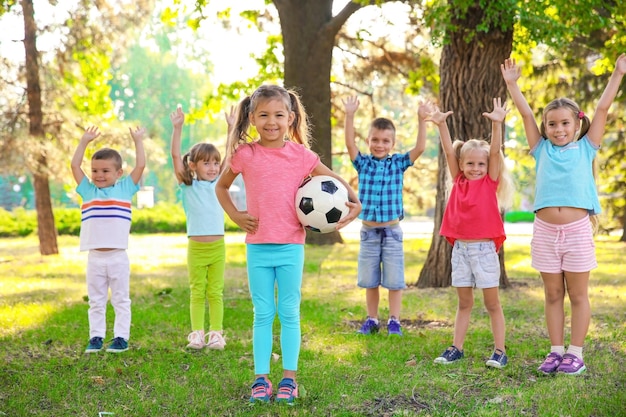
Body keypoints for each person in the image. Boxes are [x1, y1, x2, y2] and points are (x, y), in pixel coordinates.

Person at [215, 85, 361, 405]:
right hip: (257, 247)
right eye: (264, 115)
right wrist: (236, 216)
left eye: (279, 115)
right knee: (263, 313)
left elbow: (336, 182)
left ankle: (289, 380)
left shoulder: (301, 156)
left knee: (289, 312)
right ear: (252, 118)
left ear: (290, 118)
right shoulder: (245, 154)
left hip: (291, 246)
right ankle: (261, 379)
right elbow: (221, 187)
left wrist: (354, 204)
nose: (272, 121)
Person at [501, 54, 626, 375]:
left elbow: (601, 108)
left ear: (577, 124)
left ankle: (576, 353)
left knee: (578, 294)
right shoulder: (540, 149)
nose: (558, 129)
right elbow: (526, 114)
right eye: (552, 124)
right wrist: (512, 85)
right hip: (544, 232)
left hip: (576, 232)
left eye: (565, 123)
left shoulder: (587, 147)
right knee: (553, 294)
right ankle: (556, 351)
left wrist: (617, 74)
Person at [429, 98, 514, 369]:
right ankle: (457, 347)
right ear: (462, 164)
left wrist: (497, 124)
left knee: (492, 303)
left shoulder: (490, 181)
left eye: (480, 164)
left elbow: (496, 150)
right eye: (470, 164)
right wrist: (442, 124)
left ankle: (500, 351)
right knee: (464, 302)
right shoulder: (459, 180)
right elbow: (447, 151)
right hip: (461, 251)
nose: (475, 169)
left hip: (484, 250)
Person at [342, 96, 428, 336]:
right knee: (370, 281)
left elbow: (420, 148)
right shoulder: (363, 164)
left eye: (385, 141)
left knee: (394, 280)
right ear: (368, 140)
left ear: (392, 143)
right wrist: (350, 115)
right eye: (375, 140)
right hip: (368, 232)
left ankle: (394, 320)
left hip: (392, 232)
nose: (380, 145)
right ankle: (371, 320)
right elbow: (349, 143)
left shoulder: (398, 163)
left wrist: (422, 119)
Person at [71, 125, 146, 354]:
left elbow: (141, 165)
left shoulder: (125, 188)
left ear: (118, 173)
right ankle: (96, 337)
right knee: (96, 300)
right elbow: (75, 165)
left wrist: (138, 140)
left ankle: (121, 337)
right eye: (95, 170)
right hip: (95, 257)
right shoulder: (88, 191)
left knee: (121, 299)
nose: (99, 175)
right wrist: (84, 141)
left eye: (105, 171)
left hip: (117, 257)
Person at [170, 106, 230, 351]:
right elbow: (175, 157)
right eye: (207, 163)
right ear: (193, 165)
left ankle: (216, 334)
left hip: (218, 247)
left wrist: (231, 128)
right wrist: (177, 128)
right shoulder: (187, 185)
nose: (214, 167)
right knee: (197, 292)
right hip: (196, 247)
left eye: (215, 163)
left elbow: (231, 156)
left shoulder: (219, 185)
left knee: (215, 292)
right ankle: (197, 334)